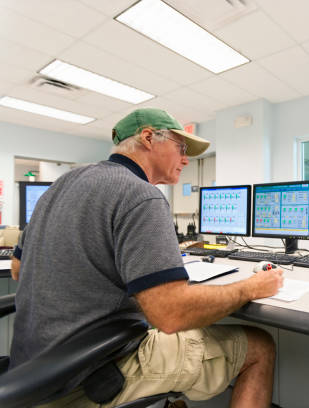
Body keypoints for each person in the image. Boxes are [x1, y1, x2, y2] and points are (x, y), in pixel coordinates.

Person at [10, 108, 284, 408]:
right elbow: (171, 314)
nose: (185, 159)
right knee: (260, 346)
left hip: (32, 376)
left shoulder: (60, 186)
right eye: (181, 148)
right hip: (89, 378)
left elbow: (18, 269)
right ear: (149, 138)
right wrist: (251, 288)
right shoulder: (141, 195)